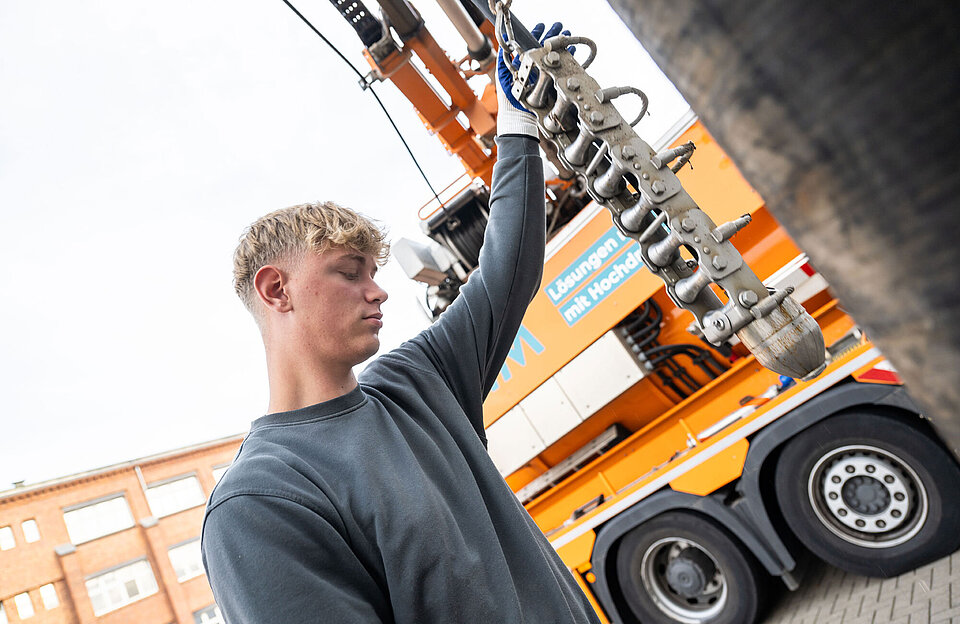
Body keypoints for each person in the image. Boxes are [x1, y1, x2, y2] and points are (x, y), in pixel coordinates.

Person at [201, 23, 601, 624]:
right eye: (349, 272)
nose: (378, 289)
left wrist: (520, 129)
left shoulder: (417, 384)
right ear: (276, 289)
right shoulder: (260, 501)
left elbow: (505, 275)